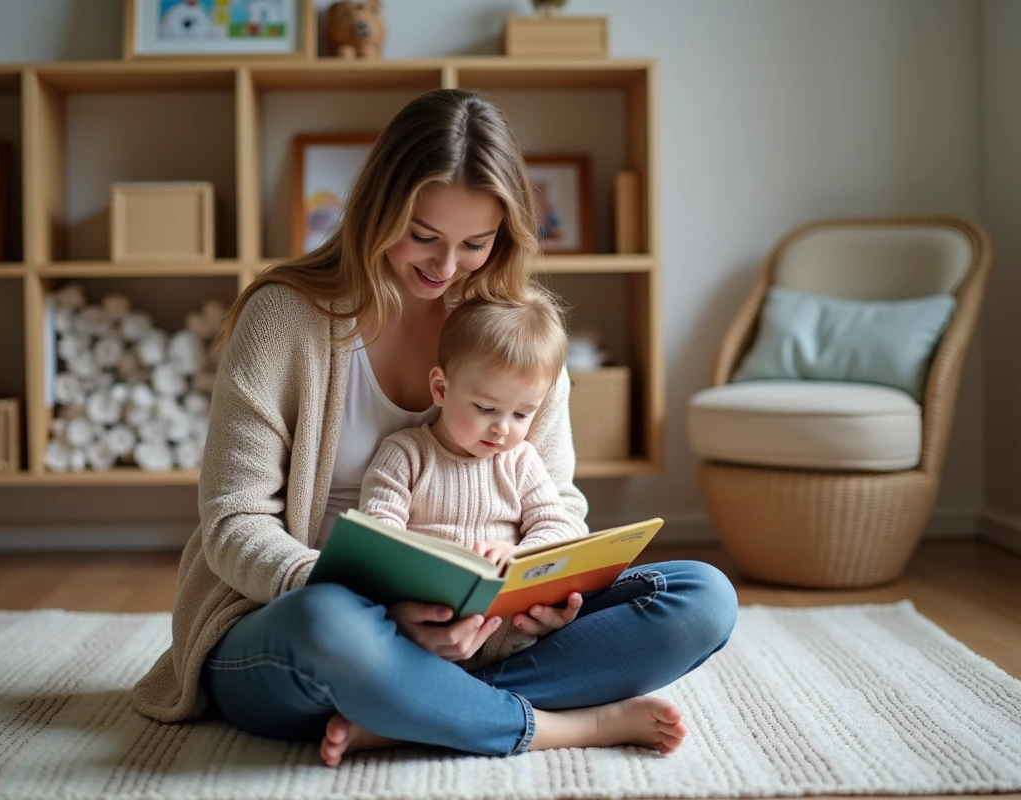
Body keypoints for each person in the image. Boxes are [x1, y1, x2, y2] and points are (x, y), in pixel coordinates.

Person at [131, 87, 738, 768]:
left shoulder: (518, 334)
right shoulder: (283, 319)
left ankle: (405, 712)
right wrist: (373, 607)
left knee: (701, 598)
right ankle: (556, 724)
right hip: (305, 621)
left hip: (487, 632)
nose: (445, 267)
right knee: (330, 625)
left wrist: (544, 593)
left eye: (475, 243)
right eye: (422, 236)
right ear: (377, 209)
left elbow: (557, 503)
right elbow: (233, 522)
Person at [357, 289, 590, 671]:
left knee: (680, 593)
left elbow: (559, 524)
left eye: (522, 414)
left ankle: (492, 696)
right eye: (486, 408)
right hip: (425, 637)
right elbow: (378, 536)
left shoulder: (521, 460)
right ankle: (517, 700)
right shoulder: (405, 453)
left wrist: (522, 556)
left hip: (514, 637)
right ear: (441, 388)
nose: (502, 428)